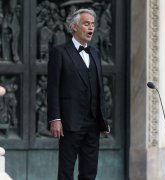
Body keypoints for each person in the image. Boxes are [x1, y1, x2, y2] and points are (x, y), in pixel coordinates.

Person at [47, 8, 110, 180]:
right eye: (86, 23)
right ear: (74, 27)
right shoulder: (60, 52)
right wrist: (55, 119)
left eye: (93, 24)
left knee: (89, 172)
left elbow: (99, 88)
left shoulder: (95, 53)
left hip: (93, 123)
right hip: (69, 122)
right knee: (66, 172)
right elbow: (52, 87)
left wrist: (103, 119)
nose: (91, 27)